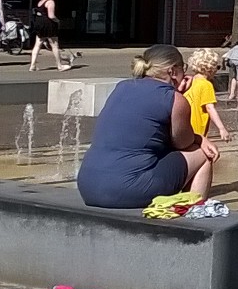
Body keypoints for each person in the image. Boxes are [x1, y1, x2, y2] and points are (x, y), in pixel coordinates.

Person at [77, 45, 219, 209]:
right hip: (127, 189)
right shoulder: (175, 99)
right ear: (173, 71)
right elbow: (184, 144)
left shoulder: (122, 87)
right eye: (183, 68)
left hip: (88, 185)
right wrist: (200, 138)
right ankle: (193, 216)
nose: (185, 75)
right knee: (203, 154)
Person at [184, 49, 229, 141]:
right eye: (217, 67)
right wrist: (222, 128)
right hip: (198, 131)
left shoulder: (191, 81)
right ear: (211, 68)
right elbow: (209, 108)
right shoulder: (206, 85)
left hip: (187, 129)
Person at [27, 0, 69, 72]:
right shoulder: (51, 2)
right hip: (48, 25)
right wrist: (58, 21)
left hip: (39, 24)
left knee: (37, 45)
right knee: (54, 45)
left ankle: (32, 65)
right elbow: (51, 16)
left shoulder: (41, 1)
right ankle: (59, 66)